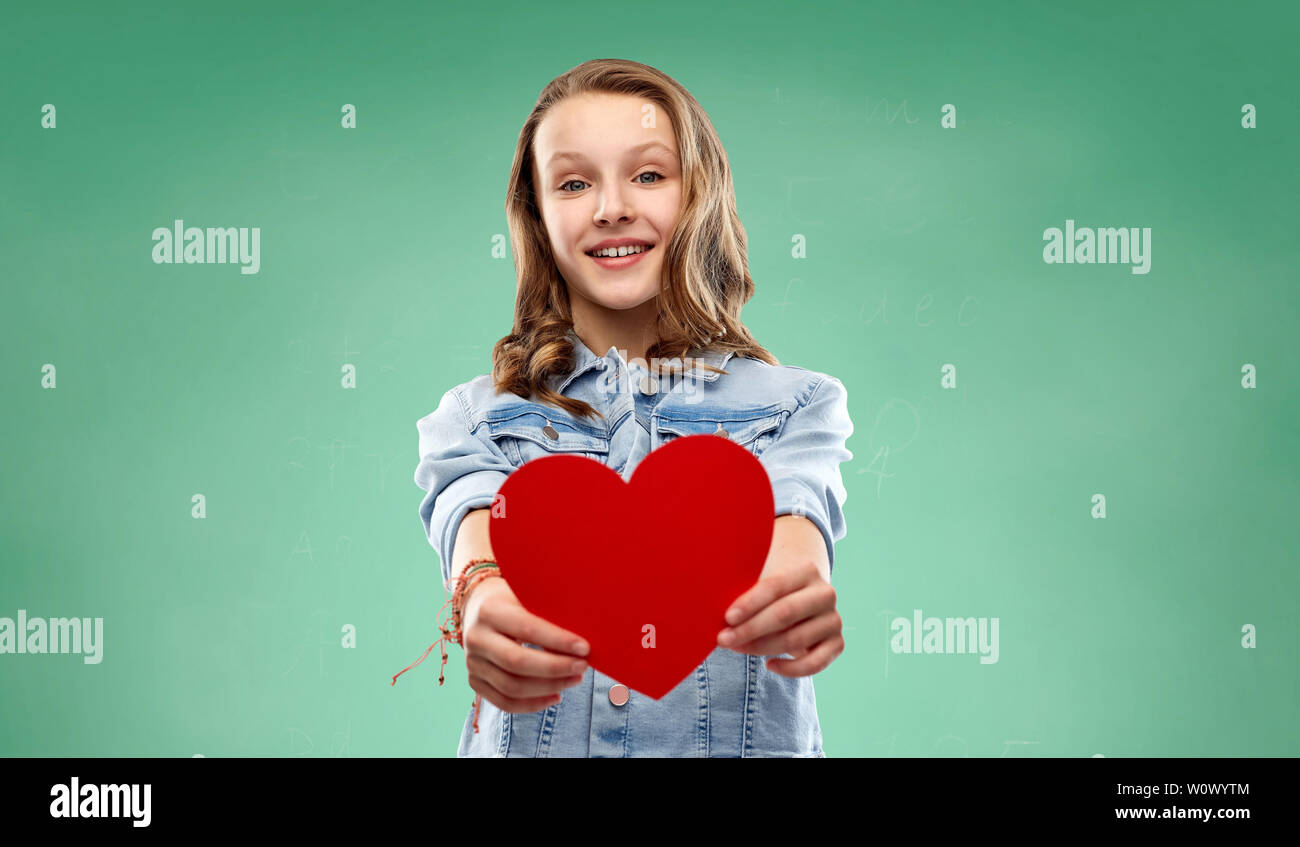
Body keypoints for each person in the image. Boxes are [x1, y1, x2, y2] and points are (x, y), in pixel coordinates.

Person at [408, 58, 853, 757]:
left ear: (698, 193)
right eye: (574, 182)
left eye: (648, 175)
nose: (611, 206)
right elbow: (473, 528)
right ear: (538, 214)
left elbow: (795, 523)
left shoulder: (797, 405)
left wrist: (796, 588)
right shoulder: (473, 419)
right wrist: (484, 594)